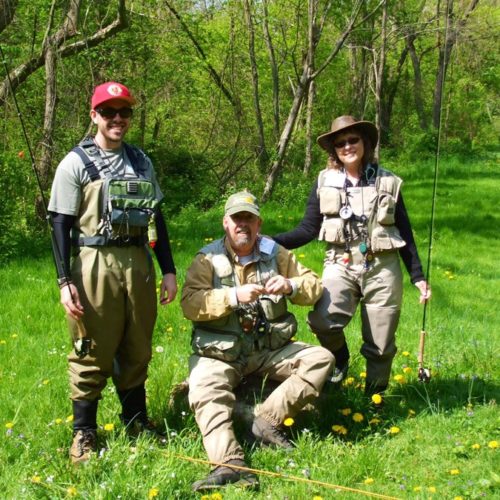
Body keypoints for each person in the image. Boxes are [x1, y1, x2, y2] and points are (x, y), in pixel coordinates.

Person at [48, 81, 177, 464]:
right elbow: (59, 222)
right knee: (92, 346)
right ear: (94, 116)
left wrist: (167, 269)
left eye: (124, 112)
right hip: (93, 264)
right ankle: (84, 433)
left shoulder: (141, 161)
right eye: (108, 112)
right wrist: (64, 281)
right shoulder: (75, 162)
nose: (117, 118)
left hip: (138, 262)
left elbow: (157, 216)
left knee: (138, 344)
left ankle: (135, 420)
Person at [181, 191, 333, 492]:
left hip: (269, 350)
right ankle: (230, 464)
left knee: (321, 359)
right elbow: (189, 303)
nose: (243, 225)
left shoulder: (275, 253)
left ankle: (265, 420)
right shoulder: (206, 258)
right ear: (226, 223)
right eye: (237, 219)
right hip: (220, 354)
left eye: (248, 219)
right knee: (205, 390)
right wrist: (232, 296)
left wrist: (290, 285)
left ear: (258, 223)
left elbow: (313, 285)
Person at [273, 115, 431, 396]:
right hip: (340, 263)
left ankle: (374, 398)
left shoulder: (388, 181)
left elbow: (403, 230)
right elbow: (308, 229)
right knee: (322, 320)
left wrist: (417, 275)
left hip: (383, 267)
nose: (347, 146)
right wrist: (271, 241)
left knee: (381, 343)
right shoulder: (324, 181)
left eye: (353, 140)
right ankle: (340, 359)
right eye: (340, 143)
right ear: (334, 150)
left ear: (365, 143)